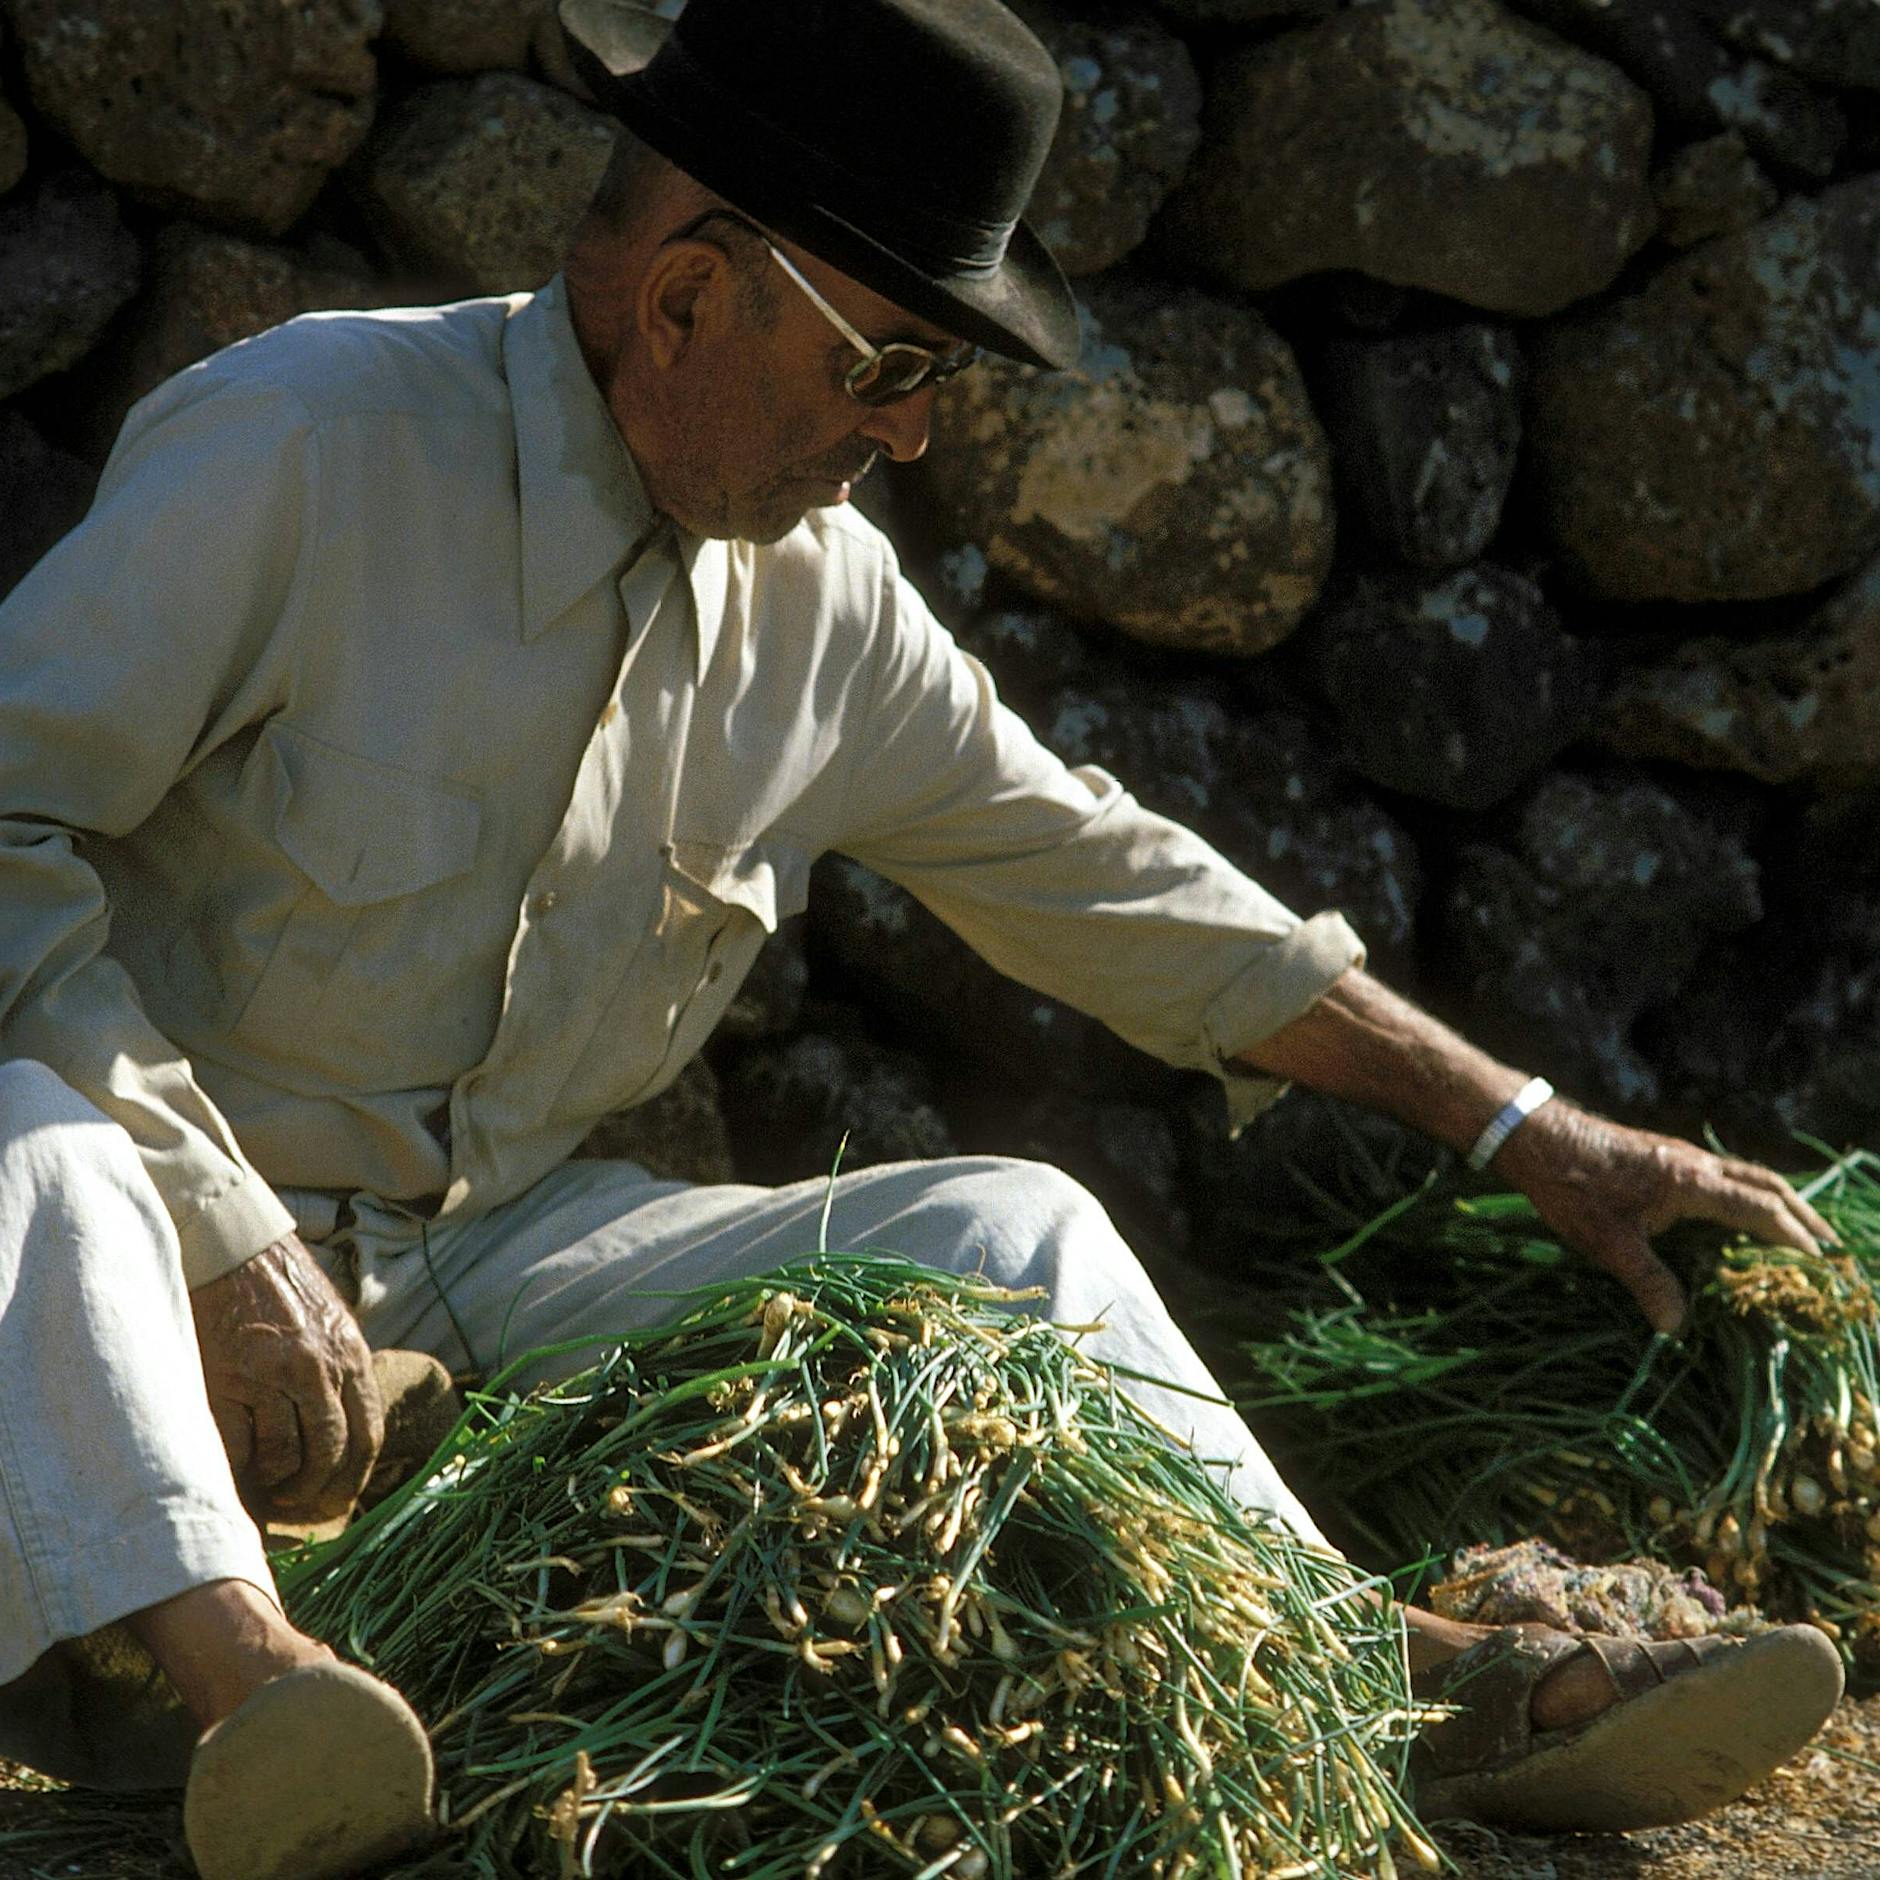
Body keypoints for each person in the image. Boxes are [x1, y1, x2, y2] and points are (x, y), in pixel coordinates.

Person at [0, 0, 1845, 1872]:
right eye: (887, 363)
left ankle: (1380, 1686)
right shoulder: (306, 448)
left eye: (937, 376)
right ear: (691, 297)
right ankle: (251, 1692)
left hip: (484, 1289)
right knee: (35, 1149)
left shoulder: (827, 614)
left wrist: (1526, 1126)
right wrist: (220, 1233)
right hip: (131, 1265)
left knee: (1012, 1230)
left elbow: (1108, 881)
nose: (911, 431)